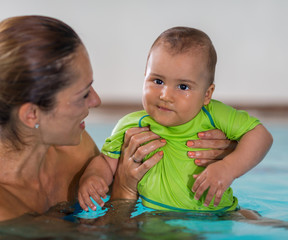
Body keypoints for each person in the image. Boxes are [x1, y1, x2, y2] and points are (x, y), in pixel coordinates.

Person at [0, 16, 237, 224]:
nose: (96, 101)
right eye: (83, 94)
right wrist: (123, 191)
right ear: (32, 114)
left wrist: (213, 150)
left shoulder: (74, 147)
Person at [78, 27, 273, 213]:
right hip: (155, 217)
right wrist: (92, 177)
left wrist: (229, 167)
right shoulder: (131, 125)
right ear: (144, 77)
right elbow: (105, 161)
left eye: (182, 86)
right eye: (158, 81)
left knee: (257, 220)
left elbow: (261, 136)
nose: (165, 95)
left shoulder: (213, 115)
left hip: (220, 214)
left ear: (207, 94)